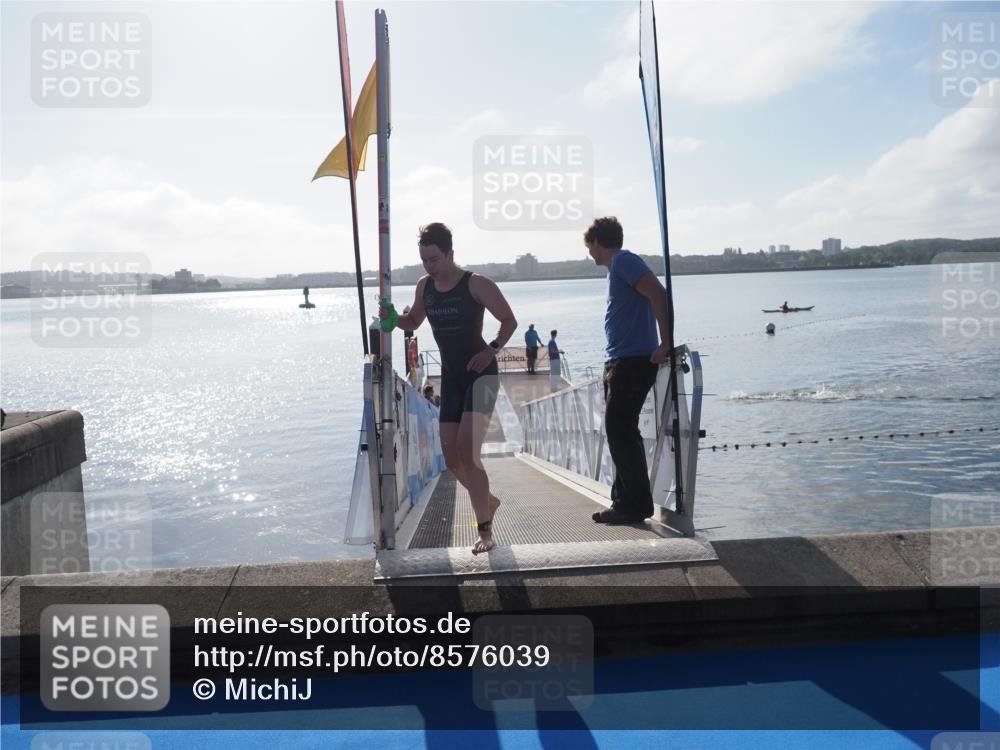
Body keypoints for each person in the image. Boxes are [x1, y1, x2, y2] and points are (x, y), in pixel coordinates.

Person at [380, 222, 517, 554]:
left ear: (450, 254)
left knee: (469, 451)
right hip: (452, 377)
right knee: (451, 457)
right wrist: (393, 317)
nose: (430, 266)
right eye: (425, 260)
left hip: (482, 373)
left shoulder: (477, 284)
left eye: (435, 259)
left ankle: (484, 531)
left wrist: (491, 350)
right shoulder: (424, 286)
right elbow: (413, 322)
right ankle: (488, 501)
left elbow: (509, 320)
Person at [584, 217, 671, 524]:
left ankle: (634, 504)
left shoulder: (624, 261)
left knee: (620, 429)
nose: (589, 253)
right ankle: (625, 501)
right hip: (621, 359)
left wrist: (666, 342)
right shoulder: (617, 268)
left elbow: (657, 293)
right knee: (620, 431)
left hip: (632, 360)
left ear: (597, 242)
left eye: (589, 246)